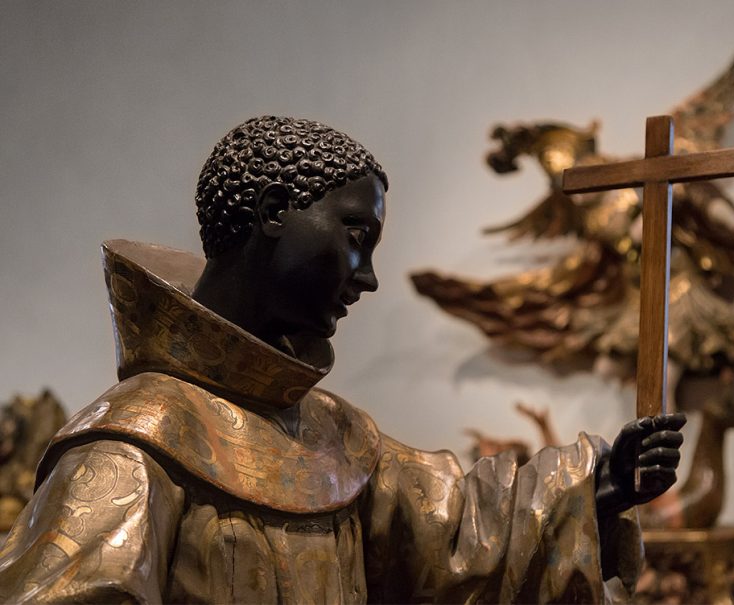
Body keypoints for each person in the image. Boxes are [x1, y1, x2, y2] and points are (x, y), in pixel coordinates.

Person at [0, 116, 684, 604]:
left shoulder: (332, 434)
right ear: (273, 212)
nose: (367, 277)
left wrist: (598, 488)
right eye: (357, 236)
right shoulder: (133, 442)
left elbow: (454, 533)